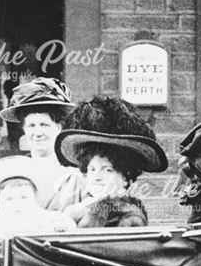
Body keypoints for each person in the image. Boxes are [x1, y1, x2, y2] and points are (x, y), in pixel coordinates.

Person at [54, 96, 167, 226]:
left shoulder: (129, 215)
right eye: (92, 169)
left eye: (108, 170)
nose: (97, 177)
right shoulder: (81, 207)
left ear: (126, 178)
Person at [0, 77, 81, 211]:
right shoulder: (15, 173)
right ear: (24, 129)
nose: (38, 132)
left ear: (58, 128)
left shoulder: (75, 177)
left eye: (44, 125)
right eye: (31, 125)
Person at [0, 156, 75, 239]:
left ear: (34, 198)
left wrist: (61, 225)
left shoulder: (42, 216)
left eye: (24, 197)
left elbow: (68, 223)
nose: (17, 203)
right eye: (9, 199)